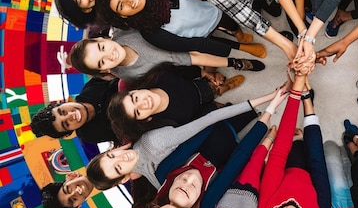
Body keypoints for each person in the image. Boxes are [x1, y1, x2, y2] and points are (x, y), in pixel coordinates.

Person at [85, 85, 286, 190]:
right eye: (118, 167)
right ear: (122, 179)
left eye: (112, 157)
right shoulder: (150, 154)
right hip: (211, 150)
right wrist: (270, 99)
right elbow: (209, 119)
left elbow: (208, 120)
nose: (122, 158)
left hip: (210, 146)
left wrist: (270, 98)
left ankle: (255, 115)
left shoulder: (150, 155)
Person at [154, 86, 288, 208]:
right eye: (193, 185)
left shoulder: (162, 173)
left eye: (183, 180)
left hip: (207, 134)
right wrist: (271, 110)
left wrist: (215, 113)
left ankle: (235, 115)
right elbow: (237, 161)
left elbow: (196, 131)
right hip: (221, 157)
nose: (191, 178)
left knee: (225, 128)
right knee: (234, 144)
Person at [96, 0, 266, 58]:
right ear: (122, 16)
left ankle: (239, 34)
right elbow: (197, 45)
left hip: (210, 11)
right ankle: (242, 47)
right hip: (200, 35)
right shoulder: (151, 34)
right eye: (121, 5)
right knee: (213, 42)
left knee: (230, 24)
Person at [257, 72, 331, 208]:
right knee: (312, 145)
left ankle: (301, 127)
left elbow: (279, 154)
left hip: (287, 168)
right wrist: (305, 98)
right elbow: (318, 164)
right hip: (310, 173)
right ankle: (309, 101)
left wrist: (296, 92)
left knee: (293, 142)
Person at [106, 66, 244, 142]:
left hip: (195, 84)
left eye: (135, 99)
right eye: (137, 112)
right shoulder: (167, 123)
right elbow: (197, 120)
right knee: (214, 99)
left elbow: (182, 71)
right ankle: (222, 89)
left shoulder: (159, 77)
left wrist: (203, 73)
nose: (143, 103)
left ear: (135, 90)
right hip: (202, 105)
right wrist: (213, 108)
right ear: (145, 119)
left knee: (210, 83)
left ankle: (217, 86)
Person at [68, 30, 264, 83]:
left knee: (208, 44)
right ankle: (237, 62)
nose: (109, 54)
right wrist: (230, 63)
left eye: (102, 47)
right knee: (201, 57)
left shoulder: (123, 30)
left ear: (103, 38)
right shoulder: (129, 76)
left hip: (180, 37)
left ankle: (242, 47)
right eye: (102, 61)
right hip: (179, 61)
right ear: (104, 70)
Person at [31, 77, 119, 144]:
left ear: (64, 103)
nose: (70, 115)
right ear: (69, 132)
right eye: (66, 124)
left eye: (63, 111)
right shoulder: (91, 135)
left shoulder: (91, 87)